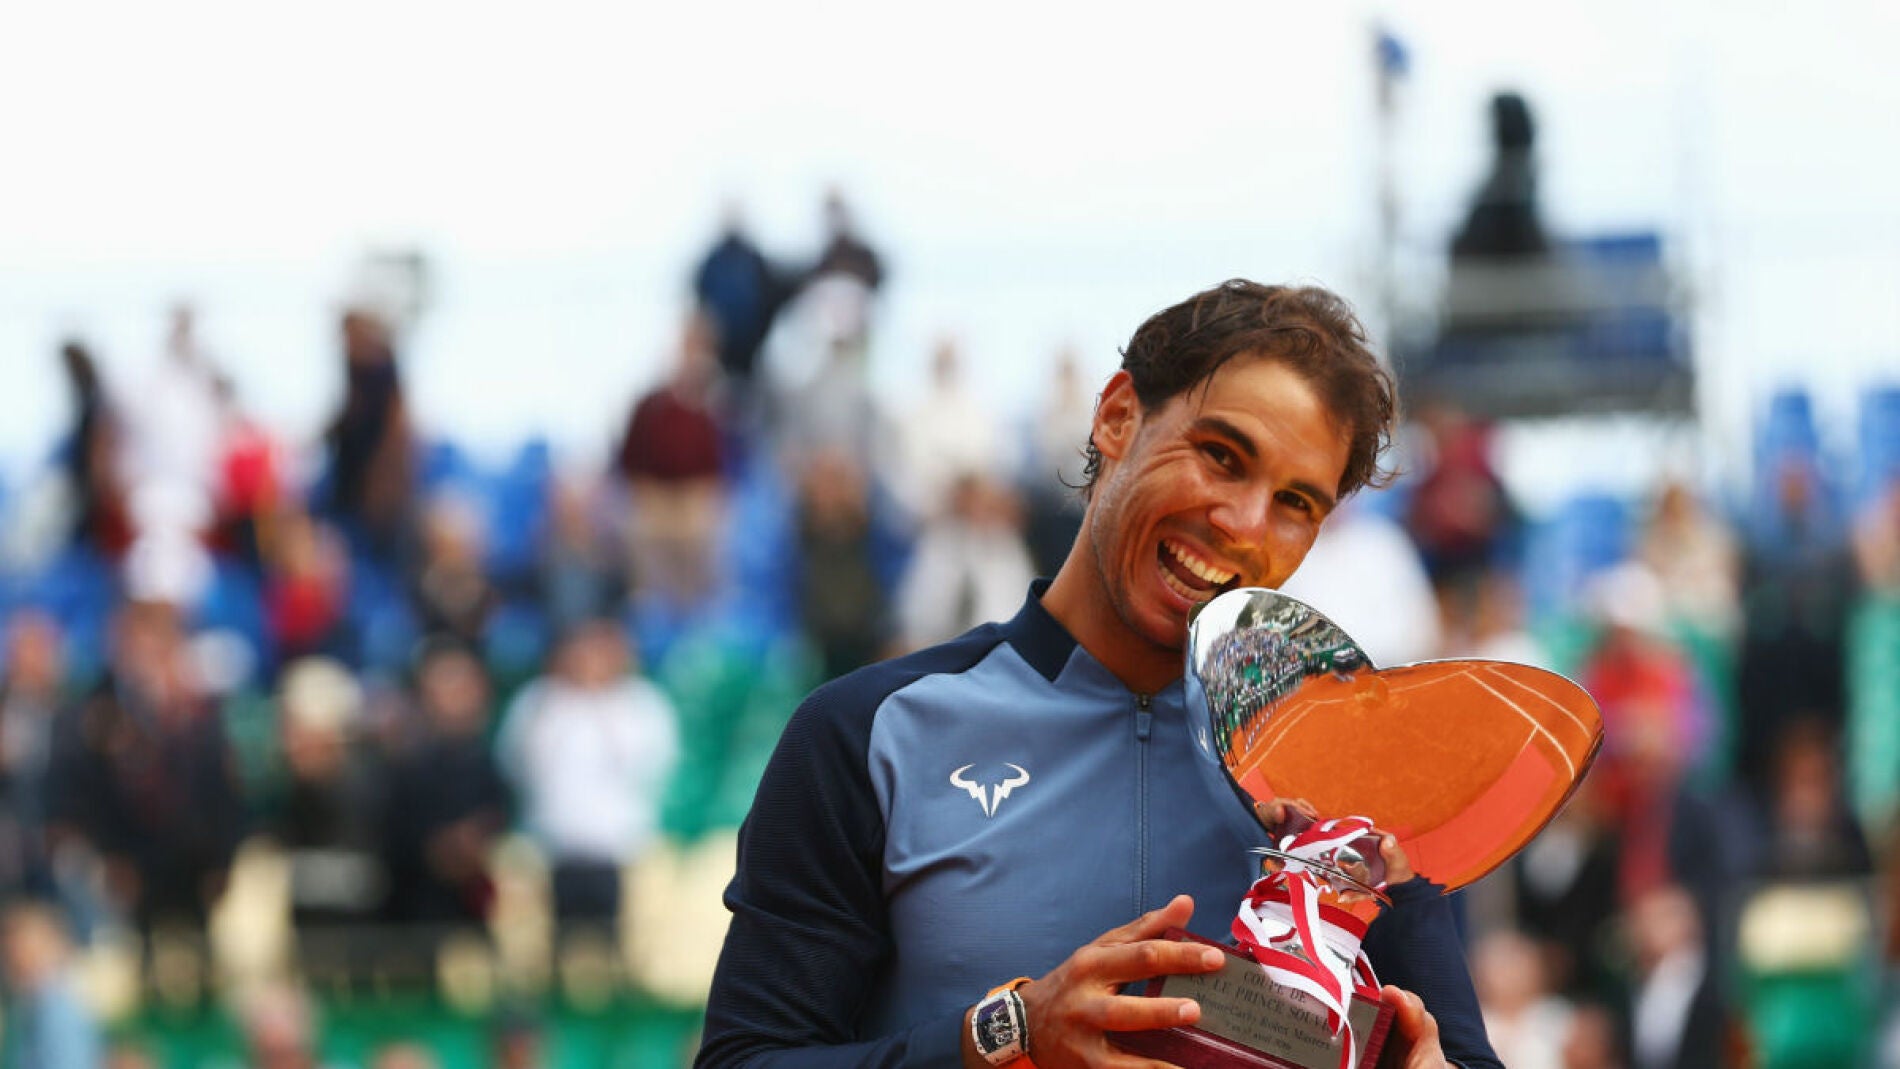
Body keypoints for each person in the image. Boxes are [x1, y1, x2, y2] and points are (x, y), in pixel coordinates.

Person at [697, 280, 1500, 1068]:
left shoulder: (1343, 786)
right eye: (1221, 456)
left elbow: (1456, 1054)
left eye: (1296, 503)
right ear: (1117, 416)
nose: (1245, 526)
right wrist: (1007, 1033)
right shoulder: (869, 734)